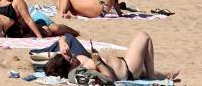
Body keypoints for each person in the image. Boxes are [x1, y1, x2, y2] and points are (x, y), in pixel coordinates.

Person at [44, 31, 179, 82]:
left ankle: (164, 75)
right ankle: (151, 76)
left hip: (125, 65)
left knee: (155, 71)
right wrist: (98, 62)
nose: (72, 56)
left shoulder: (76, 61)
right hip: (128, 69)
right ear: (69, 67)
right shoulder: (85, 67)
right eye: (70, 58)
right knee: (143, 36)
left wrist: (62, 42)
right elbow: (109, 79)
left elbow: (65, 36)